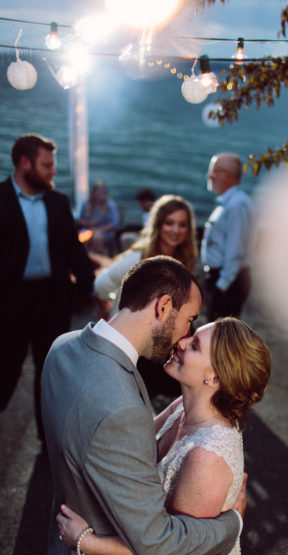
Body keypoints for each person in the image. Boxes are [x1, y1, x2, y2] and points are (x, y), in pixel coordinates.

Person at [41, 256, 245, 555]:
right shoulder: (118, 404)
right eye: (188, 320)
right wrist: (232, 526)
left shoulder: (62, 349)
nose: (184, 335)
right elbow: (153, 540)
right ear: (163, 307)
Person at [0, 133, 94, 438]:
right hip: (10, 301)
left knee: (51, 371)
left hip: (51, 299)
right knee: (6, 367)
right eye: (47, 165)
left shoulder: (58, 201)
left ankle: (48, 442)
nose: (53, 171)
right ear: (25, 164)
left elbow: (72, 248)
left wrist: (86, 284)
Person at [93, 195, 198, 318]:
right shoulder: (136, 259)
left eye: (182, 225)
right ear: (158, 224)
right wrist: (106, 312)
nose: (176, 230)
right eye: (169, 223)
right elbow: (101, 285)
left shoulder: (186, 262)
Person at [201, 153, 254, 321]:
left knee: (219, 334)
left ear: (229, 175)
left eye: (215, 171)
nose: (209, 176)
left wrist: (223, 285)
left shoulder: (236, 205)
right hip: (223, 279)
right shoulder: (229, 203)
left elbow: (235, 248)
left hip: (227, 281)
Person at [77, 179, 120, 255]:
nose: (100, 194)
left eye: (102, 192)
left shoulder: (110, 205)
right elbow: (80, 220)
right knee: (82, 238)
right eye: (98, 191)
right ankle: (84, 260)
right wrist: (89, 223)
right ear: (93, 192)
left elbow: (114, 224)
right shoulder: (86, 203)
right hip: (89, 230)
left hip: (104, 231)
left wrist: (98, 229)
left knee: (97, 238)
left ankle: (98, 259)